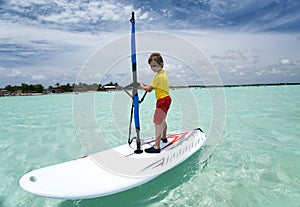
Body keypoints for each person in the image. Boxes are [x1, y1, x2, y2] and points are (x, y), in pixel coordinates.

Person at [140, 53, 172, 153]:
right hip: (167, 99)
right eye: (151, 66)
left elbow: (149, 89)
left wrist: (142, 86)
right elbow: (155, 86)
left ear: (161, 64)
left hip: (162, 100)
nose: (153, 68)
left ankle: (157, 147)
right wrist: (148, 86)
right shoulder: (163, 74)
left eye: (154, 65)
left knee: (157, 122)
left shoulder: (158, 77)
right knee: (162, 120)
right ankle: (164, 137)